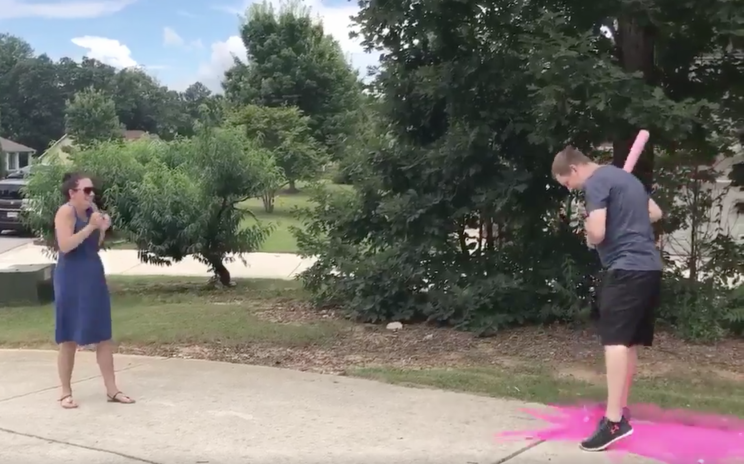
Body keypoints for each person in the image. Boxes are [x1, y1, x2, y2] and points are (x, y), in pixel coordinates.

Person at [551, 146, 663, 451]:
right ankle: (620, 408)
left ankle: (614, 422)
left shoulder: (597, 182)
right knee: (628, 343)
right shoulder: (626, 180)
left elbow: (598, 233)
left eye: (566, 183)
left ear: (574, 169)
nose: (570, 188)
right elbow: (654, 213)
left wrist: (589, 229)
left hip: (625, 269)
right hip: (650, 268)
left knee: (614, 341)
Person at [53, 172, 135, 409]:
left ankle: (112, 390)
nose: (91, 194)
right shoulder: (65, 212)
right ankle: (65, 392)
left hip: (92, 274)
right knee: (68, 336)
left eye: (92, 191)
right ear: (72, 192)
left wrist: (101, 229)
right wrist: (90, 227)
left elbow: (93, 247)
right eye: (86, 190)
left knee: (103, 335)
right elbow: (66, 245)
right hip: (70, 278)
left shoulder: (92, 212)